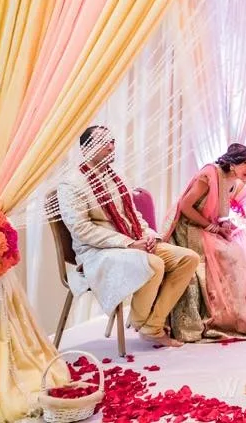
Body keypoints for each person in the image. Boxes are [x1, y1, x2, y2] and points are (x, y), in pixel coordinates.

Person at [57, 126, 198, 348]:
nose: (111, 146)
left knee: (189, 258)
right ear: (86, 149)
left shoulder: (116, 176)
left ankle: (152, 325)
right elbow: (81, 229)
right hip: (97, 251)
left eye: (112, 141)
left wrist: (149, 236)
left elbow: (133, 215)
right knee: (153, 263)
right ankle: (145, 324)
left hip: (131, 242)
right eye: (104, 142)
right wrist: (130, 243)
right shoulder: (71, 183)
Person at [162, 144, 246, 342]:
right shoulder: (209, 175)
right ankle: (216, 316)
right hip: (188, 229)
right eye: (245, 163)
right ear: (232, 162)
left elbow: (219, 211)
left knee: (235, 250)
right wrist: (213, 228)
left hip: (205, 227)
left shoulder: (232, 182)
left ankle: (236, 315)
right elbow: (185, 207)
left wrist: (223, 225)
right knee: (228, 254)